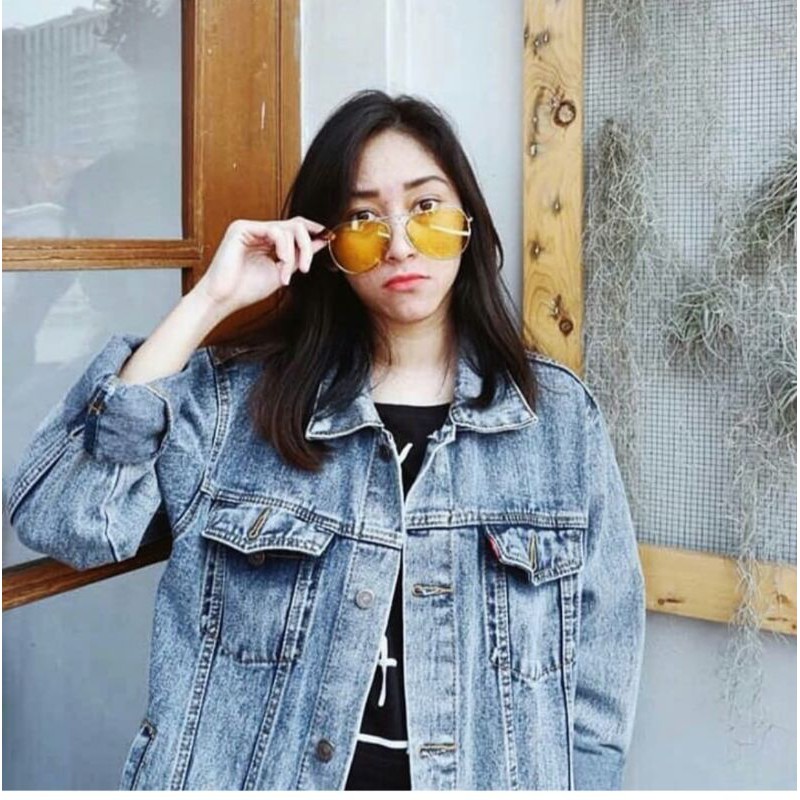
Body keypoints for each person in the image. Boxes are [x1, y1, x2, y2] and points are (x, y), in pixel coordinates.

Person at [7, 89, 646, 791]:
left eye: (426, 207)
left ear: (468, 219)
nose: (399, 244)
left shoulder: (557, 418)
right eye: (363, 219)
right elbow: (64, 518)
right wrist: (209, 300)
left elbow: (597, 684)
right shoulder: (236, 405)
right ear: (329, 244)